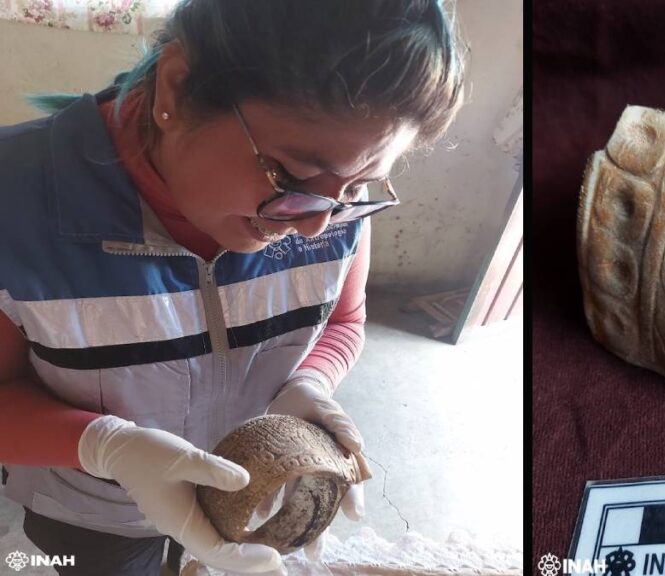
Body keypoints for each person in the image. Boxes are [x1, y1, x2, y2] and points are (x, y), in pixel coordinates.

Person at [0, 1, 464, 574]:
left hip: (244, 497)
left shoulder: (330, 204)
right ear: (176, 87)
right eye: (288, 177)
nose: (314, 224)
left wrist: (308, 385)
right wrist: (105, 445)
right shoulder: (14, 206)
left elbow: (343, 320)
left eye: (358, 187)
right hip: (92, 517)